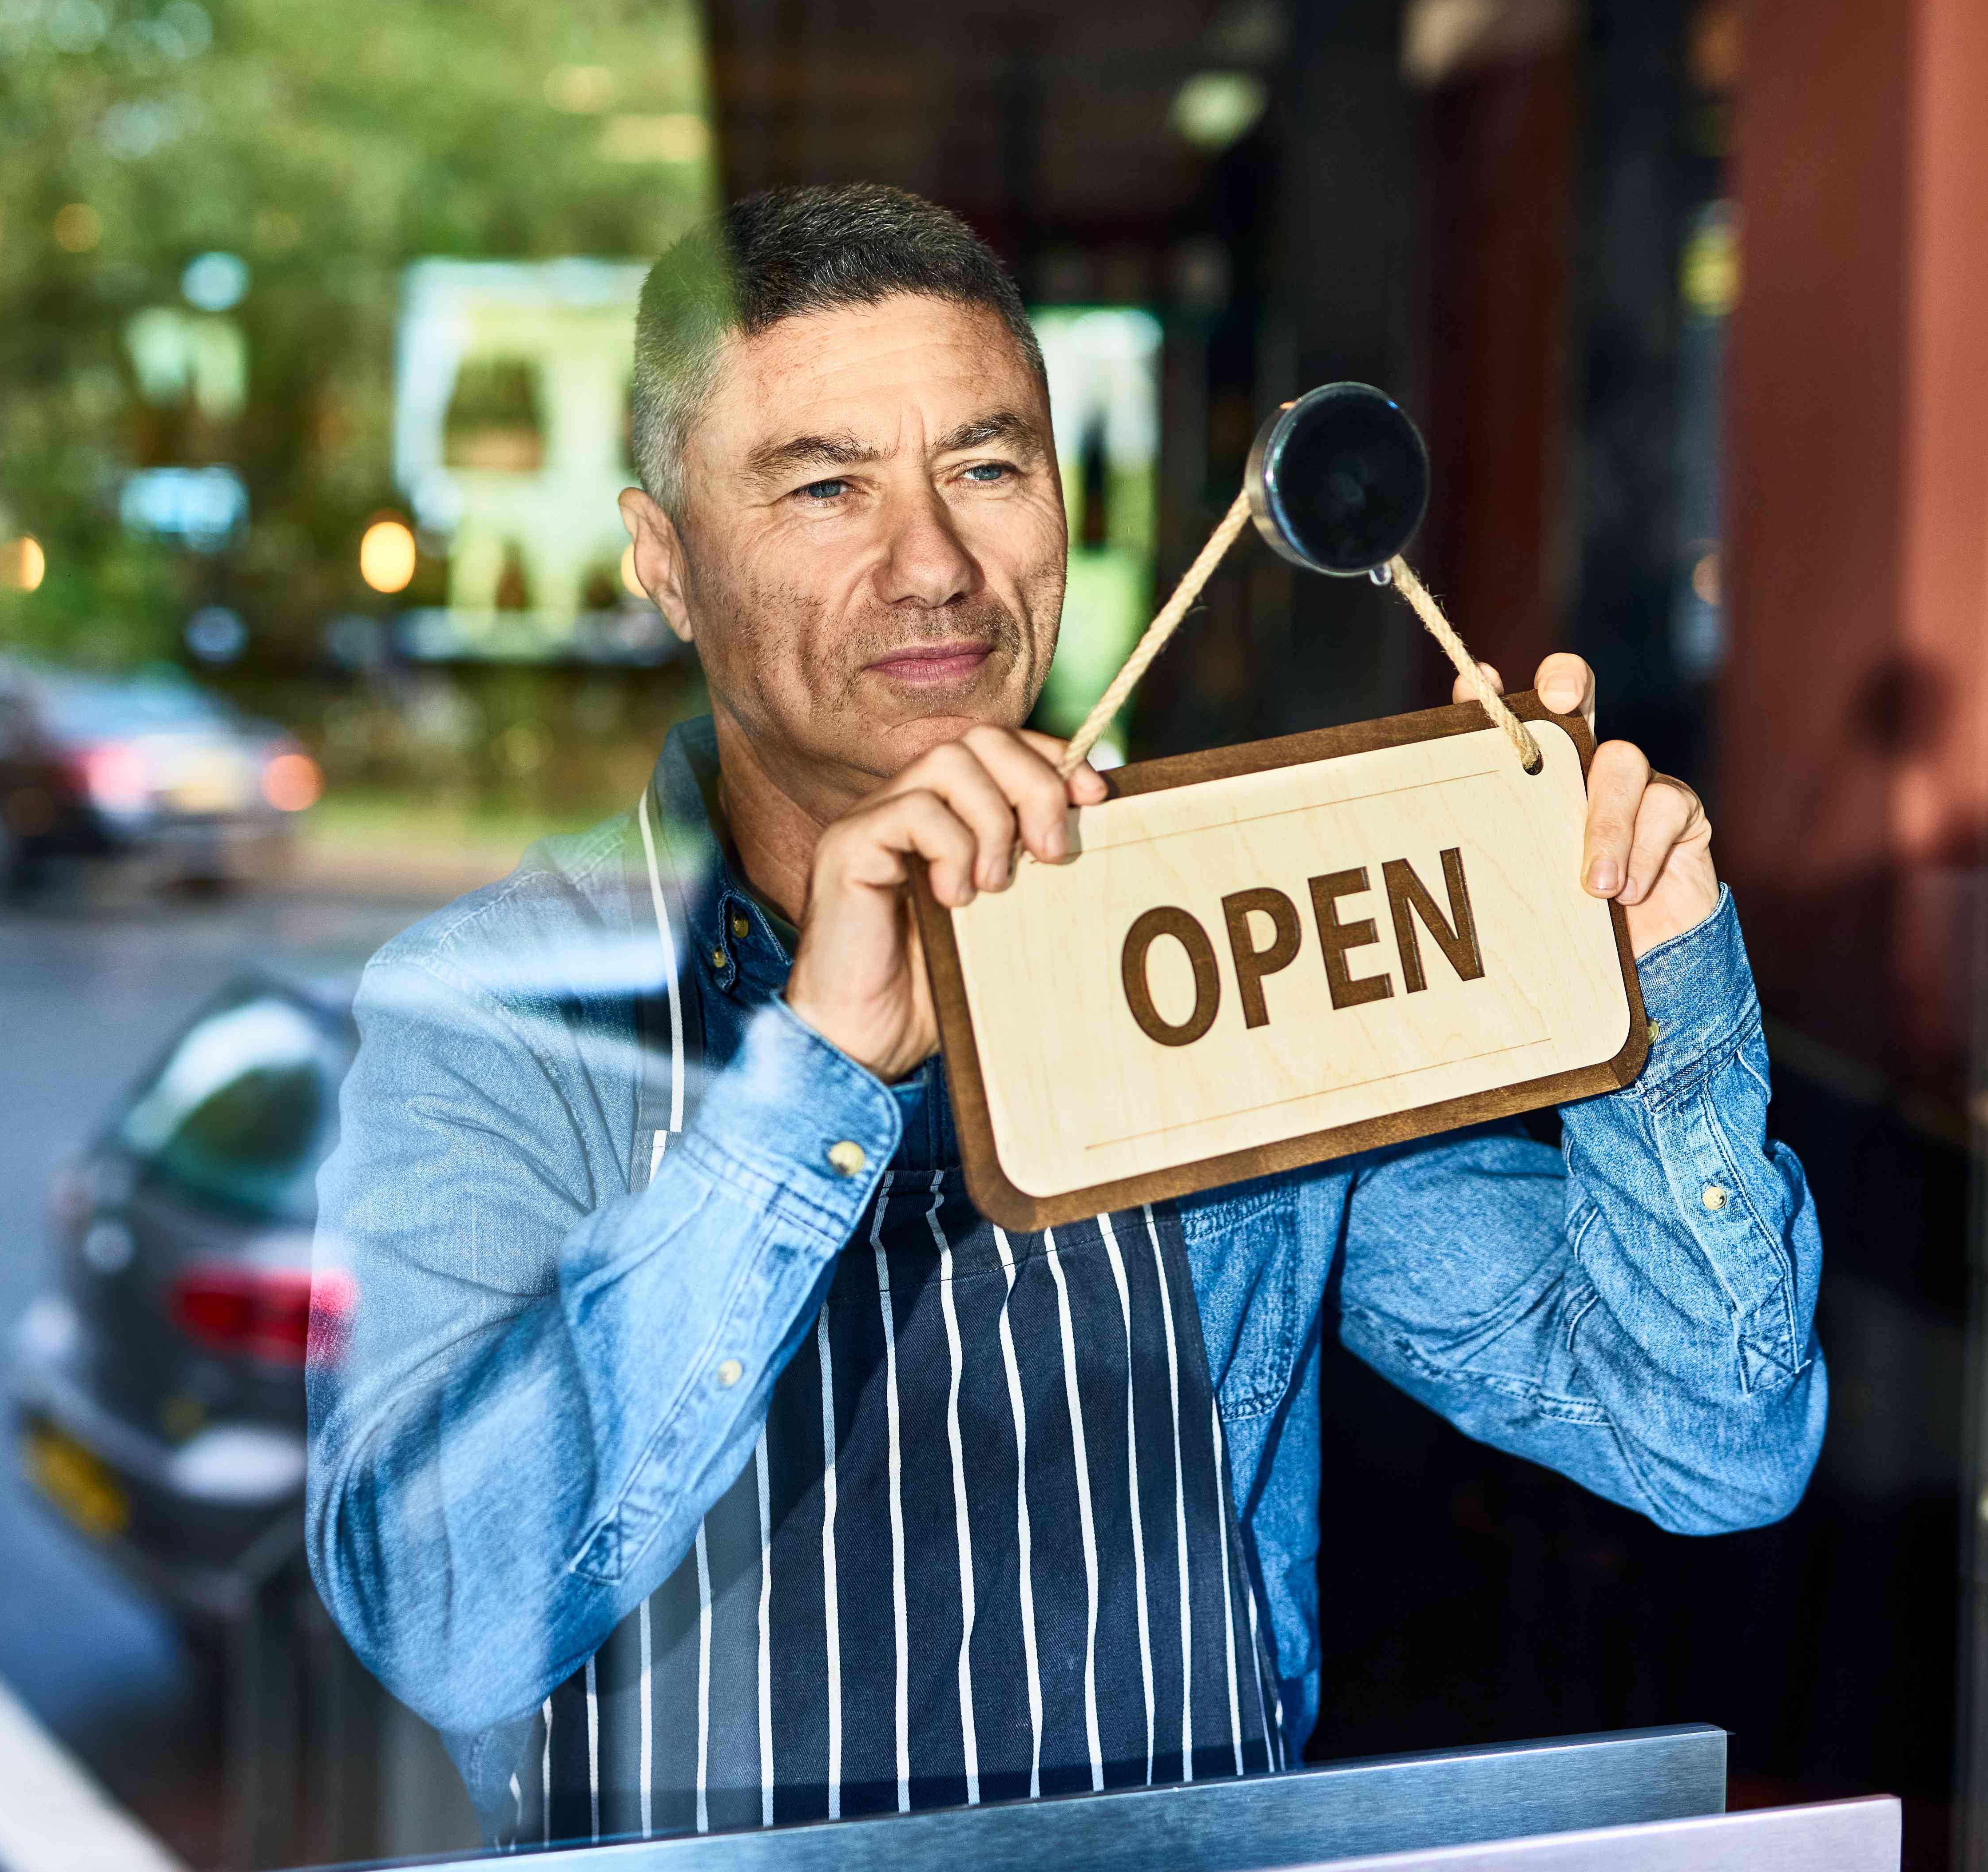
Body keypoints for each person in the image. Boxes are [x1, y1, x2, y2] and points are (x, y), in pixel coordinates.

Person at [305, 184, 1824, 1844]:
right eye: (825, 485)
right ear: (663, 560)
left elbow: (1705, 1442)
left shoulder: (1215, 934)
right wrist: (806, 1089)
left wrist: (1658, 981)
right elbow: (442, 1614)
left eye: (987, 466)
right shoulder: (499, 1011)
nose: (935, 564)